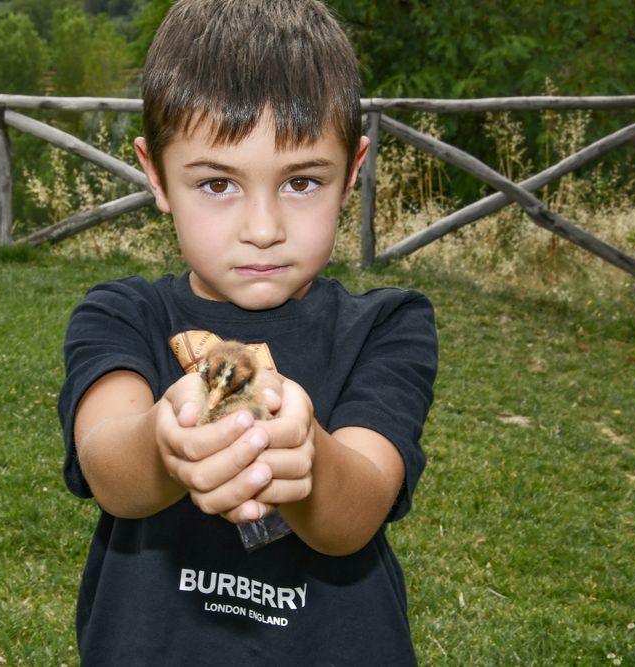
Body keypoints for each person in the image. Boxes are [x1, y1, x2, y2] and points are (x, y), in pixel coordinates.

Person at [57, 1, 437, 664]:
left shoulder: (390, 326)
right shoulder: (121, 315)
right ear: (157, 175)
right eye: (216, 184)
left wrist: (310, 460)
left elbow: (358, 512)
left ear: (352, 171)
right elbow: (108, 464)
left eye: (301, 181)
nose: (262, 227)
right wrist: (163, 438)